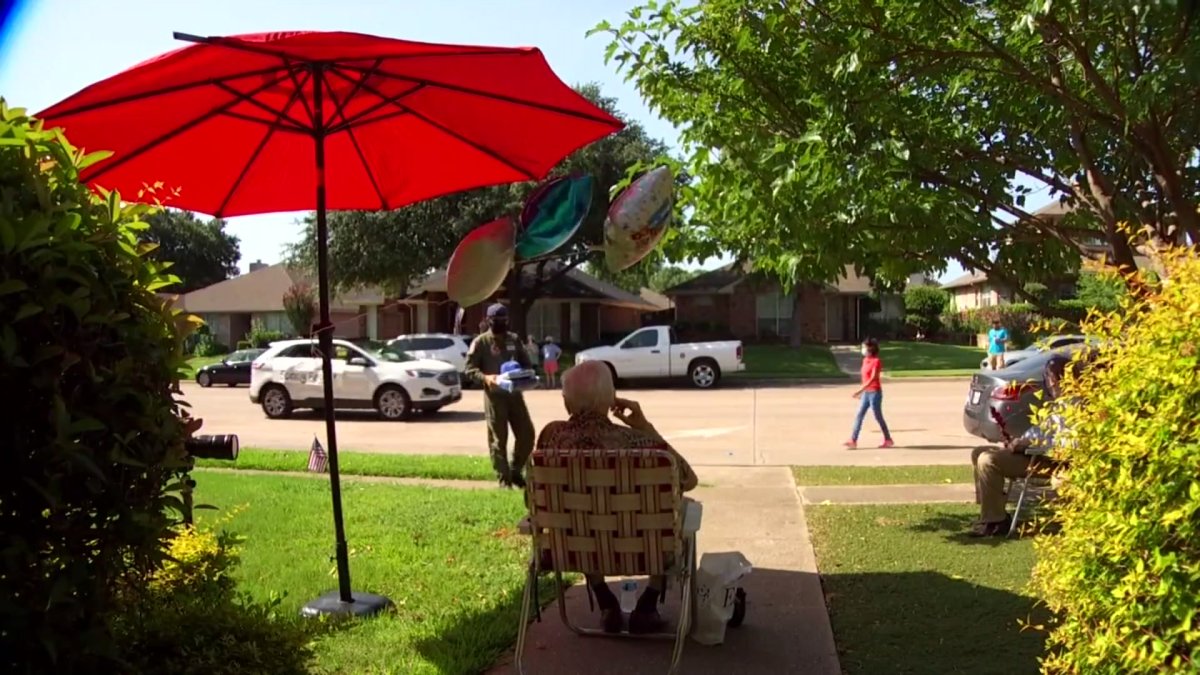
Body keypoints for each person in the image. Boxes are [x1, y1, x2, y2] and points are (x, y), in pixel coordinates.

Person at [536, 360, 698, 634]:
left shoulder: (552, 439)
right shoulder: (641, 445)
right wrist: (644, 426)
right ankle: (647, 606)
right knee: (669, 510)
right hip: (644, 551)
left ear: (567, 402)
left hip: (573, 551)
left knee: (582, 514)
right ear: (612, 398)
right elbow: (688, 480)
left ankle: (606, 602)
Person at [968, 353, 1076, 537]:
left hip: (1050, 461)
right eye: (1049, 378)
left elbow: (1068, 446)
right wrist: (1019, 441)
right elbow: (1039, 432)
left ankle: (995, 521)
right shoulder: (1055, 406)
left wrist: (1031, 444)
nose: (1050, 383)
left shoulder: (1077, 407)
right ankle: (991, 514)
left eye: (1053, 378)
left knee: (988, 460)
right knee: (979, 453)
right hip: (1034, 454)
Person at [464, 303, 536, 488]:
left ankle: (515, 470)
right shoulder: (481, 342)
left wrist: (526, 375)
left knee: (527, 434)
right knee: (498, 438)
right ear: (488, 321)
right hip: (495, 397)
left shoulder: (514, 339)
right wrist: (486, 378)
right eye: (496, 321)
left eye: (503, 320)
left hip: (514, 395)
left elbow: (527, 363)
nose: (501, 324)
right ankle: (504, 479)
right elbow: (469, 369)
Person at [844, 337, 894, 449]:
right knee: (859, 415)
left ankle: (888, 439)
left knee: (878, 416)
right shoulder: (865, 360)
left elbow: (872, 378)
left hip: (875, 393)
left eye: (864, 347)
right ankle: (853, 440)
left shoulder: (876, 361)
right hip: (866, 393)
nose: (863, 349)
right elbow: (864, 377)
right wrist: (863, 392)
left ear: (871, 348)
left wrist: (860, 390)